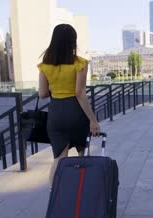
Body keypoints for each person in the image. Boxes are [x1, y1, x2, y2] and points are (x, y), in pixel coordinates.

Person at [37, 24, 100, 185]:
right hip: (76, 114)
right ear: (73, 41)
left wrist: (56, 86)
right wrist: (93, 120)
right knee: (82, 156)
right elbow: (80, 93)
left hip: (56, 114)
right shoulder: (80, 64)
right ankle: (81, 194)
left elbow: (42, 94)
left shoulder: (45, 65)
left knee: (59, 159)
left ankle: (56, 197)